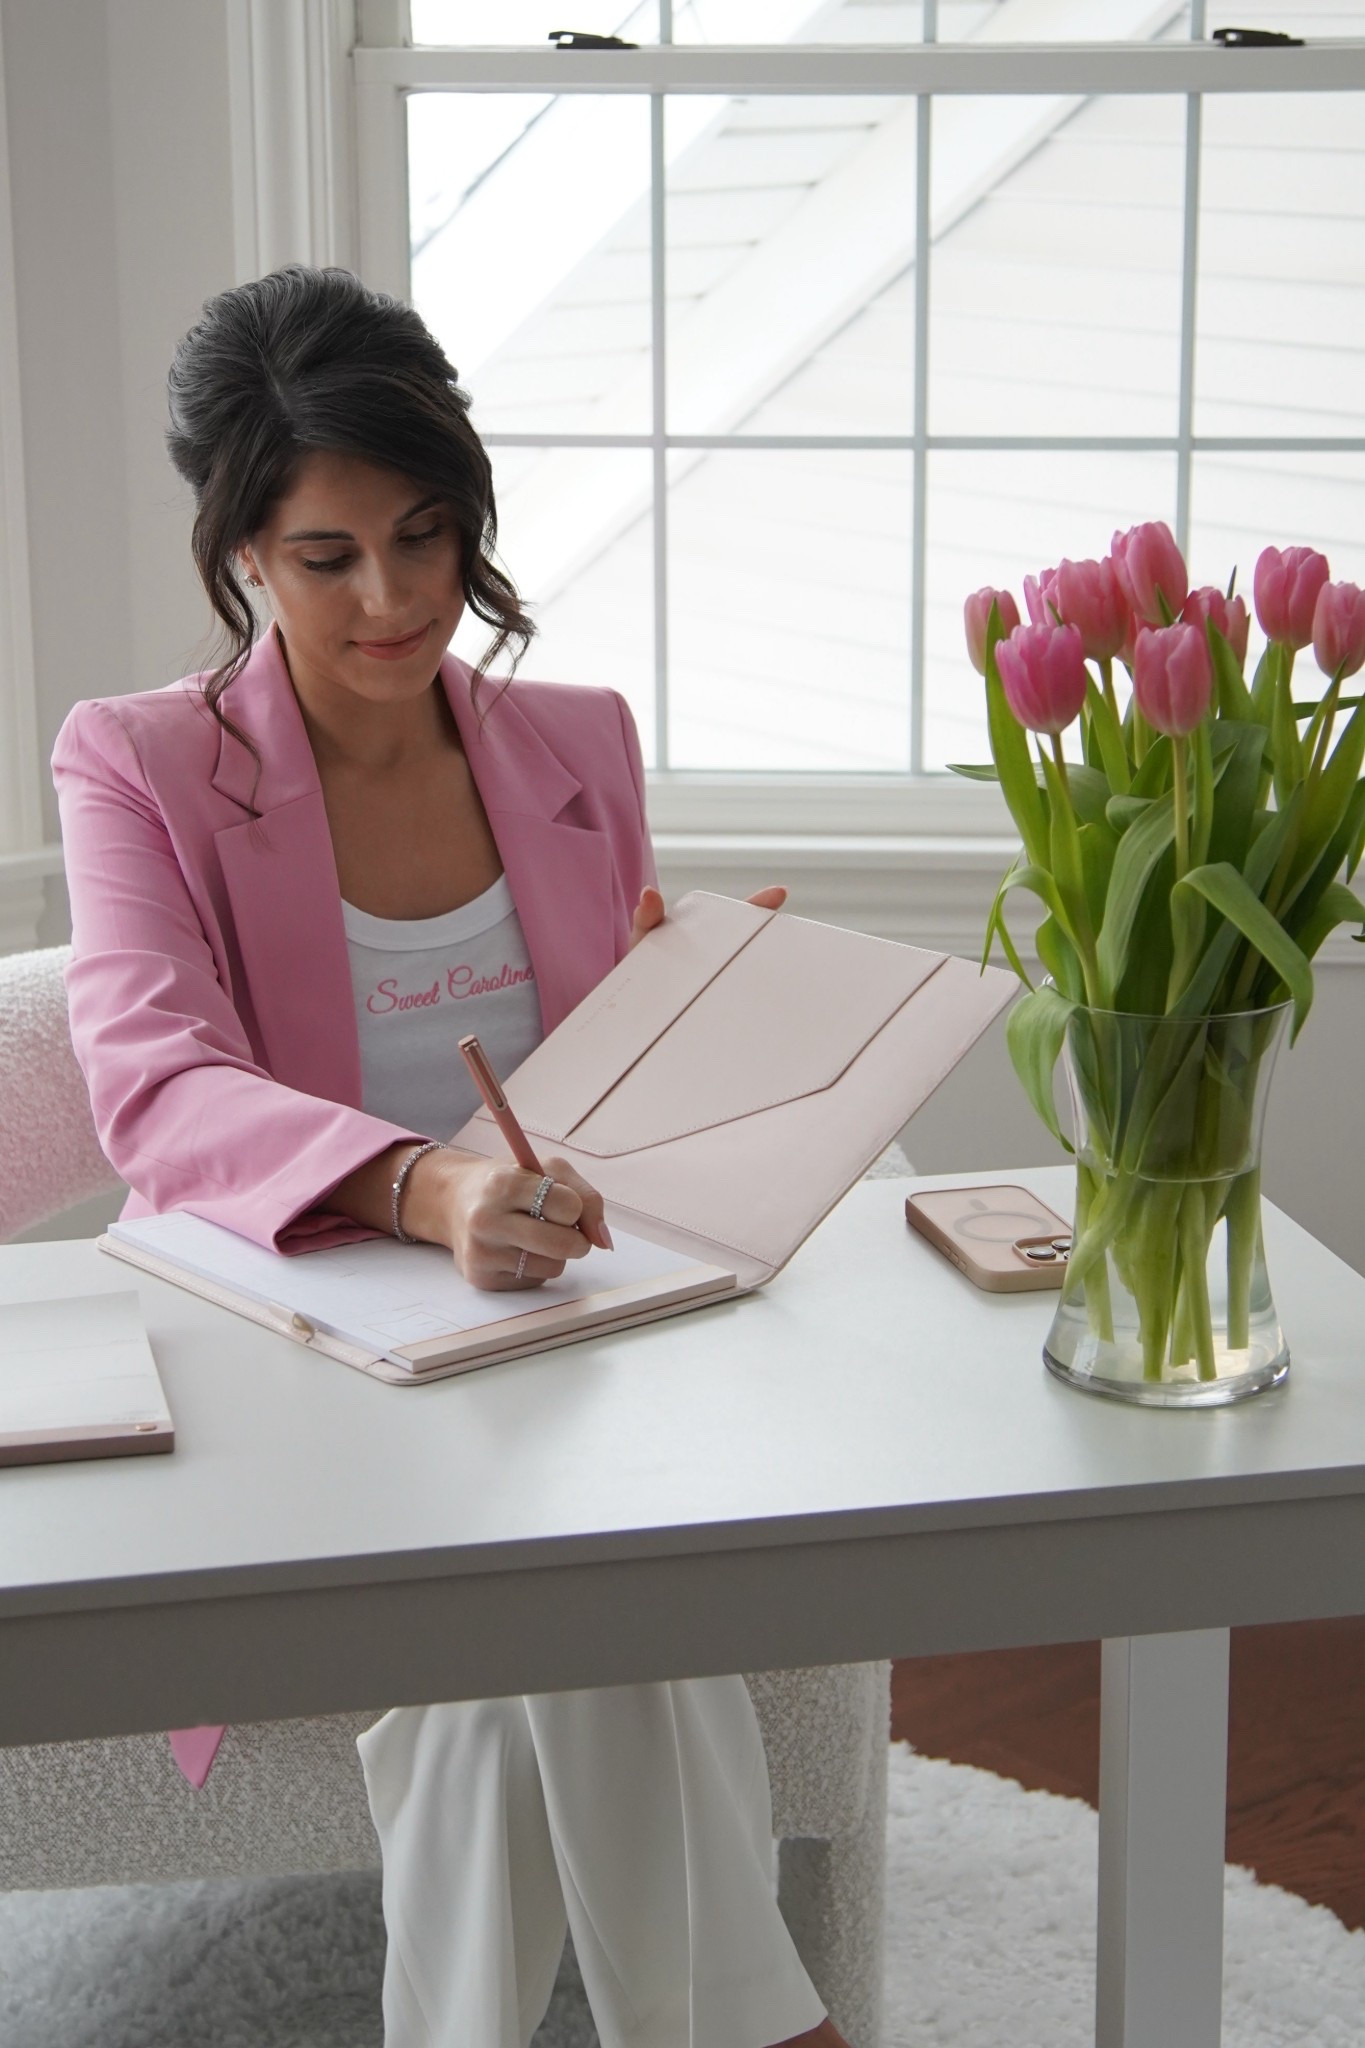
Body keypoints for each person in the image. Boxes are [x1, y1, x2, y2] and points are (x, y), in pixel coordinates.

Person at [51, 266, 852, 2048]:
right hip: (294, 1359)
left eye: (425, 536)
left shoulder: (578, 746)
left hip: (569, 1351)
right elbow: (154, 1087)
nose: (397, 599)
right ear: (241, 551)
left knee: (526, 1611)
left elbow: (614, 1107)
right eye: (328, 555)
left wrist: (699, 1011)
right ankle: (760, 2026)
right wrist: (432, 1190)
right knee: (558, 1599)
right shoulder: (139, 765)